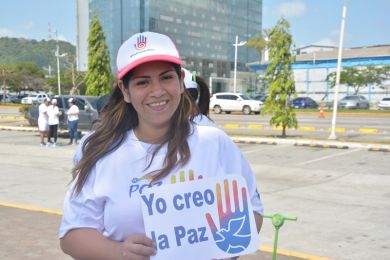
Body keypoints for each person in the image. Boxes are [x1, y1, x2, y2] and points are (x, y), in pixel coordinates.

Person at [59, 31, 263, 260]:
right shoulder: (98, 149)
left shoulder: (214, 142)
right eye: (142, 82)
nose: (157, 91)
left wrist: (223, 251)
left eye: (166, 77)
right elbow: (71, 234)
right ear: (125, 90)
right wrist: (119, 252)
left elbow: (252, 211)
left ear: (180, 80)